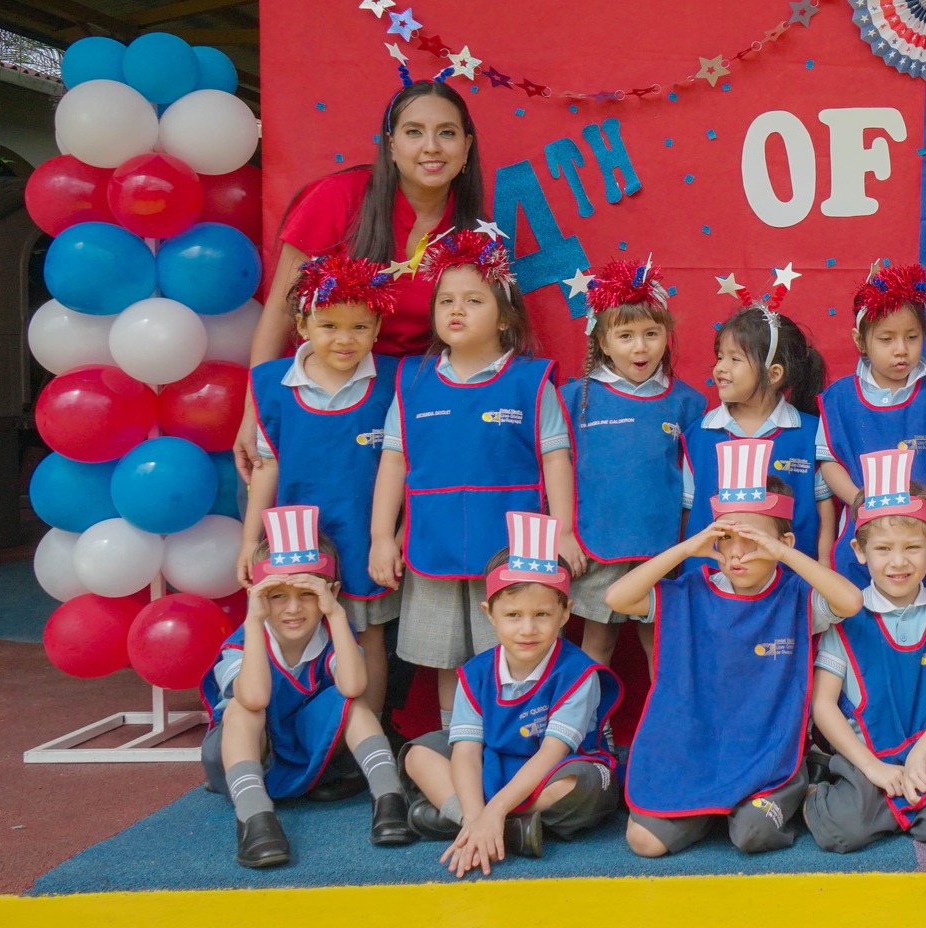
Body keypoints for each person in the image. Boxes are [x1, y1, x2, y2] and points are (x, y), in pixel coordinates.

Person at [608, 439, 866, 857]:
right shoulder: (689, 591)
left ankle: (796, 786)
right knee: (644, 842)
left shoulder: (796, 595)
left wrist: (785, 554)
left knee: (753, 835)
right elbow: (617, 598)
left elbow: (850, 601)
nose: (738, 553)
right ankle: (706, 809)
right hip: (696, 752)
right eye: (727, 538)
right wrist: (687, 548)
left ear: (782, 542)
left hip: (766, 755)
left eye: (753, 540)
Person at [368, 226, 576, 721]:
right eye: (446, 301)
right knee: (449, 657)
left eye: (473, 300)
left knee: (513, 651)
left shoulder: (531, 381)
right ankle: (456, 738)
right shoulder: (412, 381)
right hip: (431, 541)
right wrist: (381, 537)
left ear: (504, 316)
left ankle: (514, 739)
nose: (456, 310)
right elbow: (394, 461)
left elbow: (556, 459)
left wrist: (564, 531)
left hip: (512, 544)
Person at [238, 81, 486, 482]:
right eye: (414, 132)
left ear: (466, 145)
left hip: (414, 406)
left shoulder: (476, 233)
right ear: (390, 145)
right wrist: (254, 410)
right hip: (324, 398)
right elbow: (282, 310)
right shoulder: (338, 198)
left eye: (446, 133)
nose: (431, 147)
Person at [399, 513, 624, 876]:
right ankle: (492, 829)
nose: (528, 628)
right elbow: (467, 751)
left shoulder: (578, 674)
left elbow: (552, 753)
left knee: (588, 785)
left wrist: (496, 808)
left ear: (565, 613)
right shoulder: (475, 673)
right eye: (514, 615)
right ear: (490, 614)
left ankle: (469, 822)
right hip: (493, 766)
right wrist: (478, 815)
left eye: (542, 614)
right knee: (418, 754)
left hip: (554, 769)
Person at [200, 506, 417, 868]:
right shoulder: (241, 644)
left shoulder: (331, 635)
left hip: (307, 756)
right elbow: (255, 697)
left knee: (351, 702)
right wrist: (252, 622)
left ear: (330, 592)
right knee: (242, 708)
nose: (293, 609)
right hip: (248, 759)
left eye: (307, 594)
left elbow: (353, 686)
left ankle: (389, 797)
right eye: (277, 595)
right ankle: (255, 818)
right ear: (258, 597)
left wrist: (336, 614)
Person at [804, 450, 926, 853]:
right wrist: (872, 767)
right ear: (859, 551)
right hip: (867, 757)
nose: (898, 561)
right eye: (883, 549)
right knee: (841, 832)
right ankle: (822, 789)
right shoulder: (845, 619)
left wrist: (920, 755)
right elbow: (823, 705)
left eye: (912, 547)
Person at [240, 254, 402, 719]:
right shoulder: (270, 383)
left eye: (359, 327)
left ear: (377, 328)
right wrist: (250, 543)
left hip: (363, 538)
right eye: (329, 326)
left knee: (366, 635)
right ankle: (304, 736)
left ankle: (366, 738)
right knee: (295, 633)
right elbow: (266, 467)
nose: (345, 339)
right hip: (293, 543)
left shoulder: (396, 379)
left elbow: (407, 466)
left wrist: (391, 537)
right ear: (302, 325)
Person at [561, 257, 704, 664]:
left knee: (661, 644)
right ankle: (588, 708)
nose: (640, 347)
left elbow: (694, 484)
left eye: (651, 333)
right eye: (625, 336)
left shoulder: (688, 403)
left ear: (666, 336)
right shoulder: (572, 399)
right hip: (597, 544)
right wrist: (563, 532)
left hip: (662, 547)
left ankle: (667, 707)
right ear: (603, 343)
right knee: (598, 642)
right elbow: (557, 472)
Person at [818, 260, 926, 596]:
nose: (901, 349)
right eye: (886, 339)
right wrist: (862, 505)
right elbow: (829, 464)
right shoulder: (838, 399)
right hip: (864, 535)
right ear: (860, 340)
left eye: (912, 337)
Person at [683, 279, 832, 567]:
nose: (720, 367)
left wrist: (824, 562)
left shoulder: (812, 433)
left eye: (735, 359)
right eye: (720, 357)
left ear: (773, 373)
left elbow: (824, 507)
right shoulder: (698, 436)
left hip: (790, 581)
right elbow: (689, 512)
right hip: (711, 580)